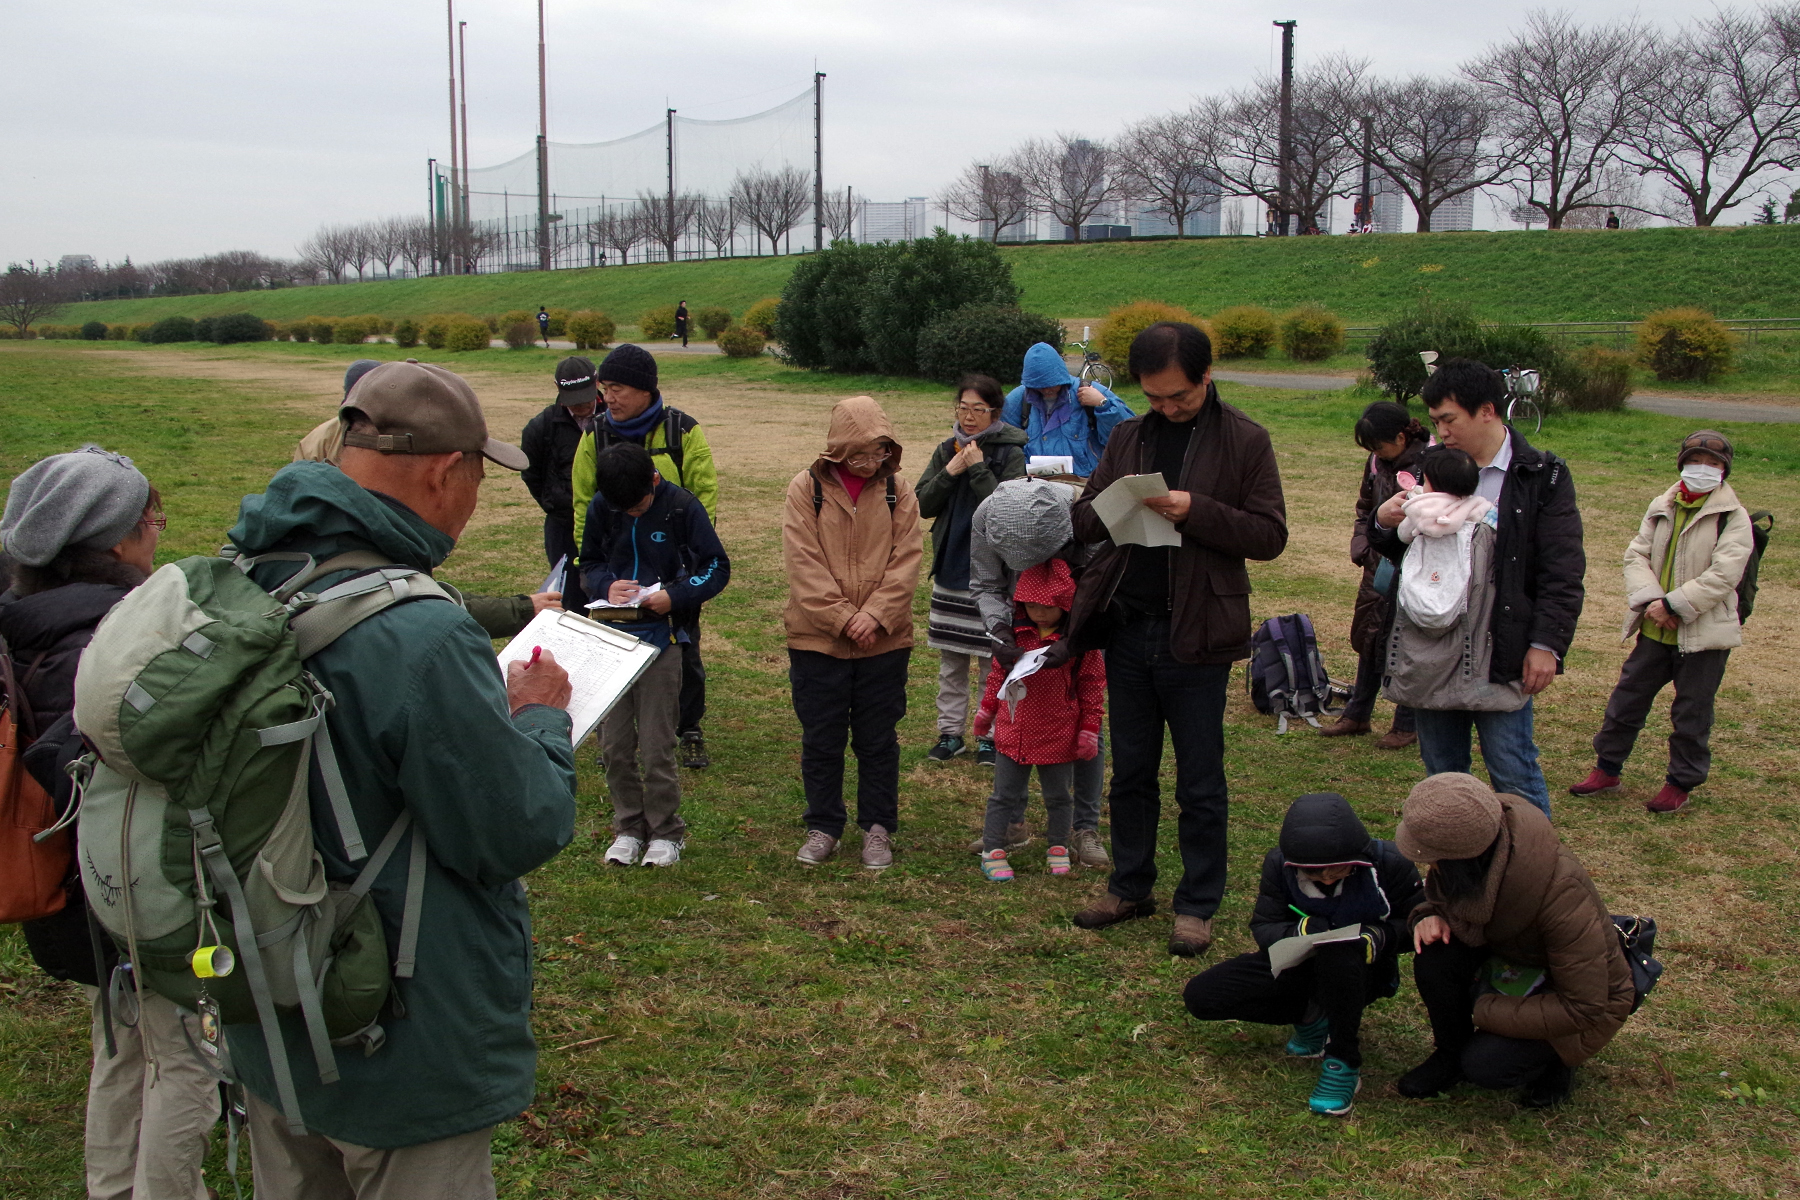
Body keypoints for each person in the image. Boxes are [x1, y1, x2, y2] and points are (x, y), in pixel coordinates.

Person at [225, 361, 578, 1197]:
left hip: (271, 998)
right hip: (394, 1034)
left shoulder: (254, 568)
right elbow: (516, 827)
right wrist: (537, 717)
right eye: (479, 479)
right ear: (444, 471)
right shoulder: (419, 632)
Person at [1, 446, 222, 1199]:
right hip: (132, 894)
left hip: (71, 888)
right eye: (150, 522)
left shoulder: (27, 622)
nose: (158, 536)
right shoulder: (110, 641)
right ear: (117, 542)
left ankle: (112, 1188)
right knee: (185, 1057)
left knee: (124, 1043)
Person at [1066, 321, 1288, 957]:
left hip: (1199, 634)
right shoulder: (1129, 435)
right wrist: (1117, 506)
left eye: (1178, 398)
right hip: (1127, 627)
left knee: (1200, 778)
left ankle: (1197, 903)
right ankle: (1130, 885)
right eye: (1154, 397)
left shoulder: (1245, 439)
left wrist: (1200, 512)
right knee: (1131, 770)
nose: (1165, 408)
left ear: (1206, 377)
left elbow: (1270, 535)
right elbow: (1083, 520)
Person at [1368, 358, 1584, 820]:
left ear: (1487, 410)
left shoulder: (1541, 474)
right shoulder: (1428, 466)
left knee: (1514, 772)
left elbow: (1562, 569)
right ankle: (1456, 875)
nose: (1440, 432)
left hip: (1501, 647)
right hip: (1433, 646)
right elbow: (1402, 553)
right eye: (1435, 421)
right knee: (1443, 775)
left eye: (1448, 419)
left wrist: (1546, 644)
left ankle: (1530, 874)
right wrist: (1383, 524)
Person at [1394, 773, 1634, 1108]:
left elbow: (1585, 1005)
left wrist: (1483, 1006)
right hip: (1513, 960)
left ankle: (1557, 1063)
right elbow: (1444, 899)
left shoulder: (1561, 893)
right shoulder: (1479, 853)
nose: (1427, 863)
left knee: (1487, 1066)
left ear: (1462, 858)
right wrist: (1426, 915)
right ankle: (1450, 1053)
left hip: (1571, 995)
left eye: (1433, 857)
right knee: (1435, 953)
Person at [1182, 793, 1424, 1117]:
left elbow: (1418, 921)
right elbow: (1265, 926)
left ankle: (1342, 1061)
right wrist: (1304, 930)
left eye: (1335, 869)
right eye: (1315, 873)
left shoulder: (1391, 863)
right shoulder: (1278, 866)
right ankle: (1312, 1016)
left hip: (1363, 969)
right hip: (1299, 960)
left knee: (1339, 954)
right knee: (1203, 995)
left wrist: (1378, 935)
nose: (1326, 878)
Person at [295, 357, 561, 639]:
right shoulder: (418, 631)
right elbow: (421, 609)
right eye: (476, 480)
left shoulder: (285, 546)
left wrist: (518, 609)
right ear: (441, 476)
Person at [1570, 431, 1752, 814]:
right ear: (1682, 463)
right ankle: (1607, 769)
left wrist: (1674, 604)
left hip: (1703, 635)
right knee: (1626, 701)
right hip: (1654, 627)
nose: (1703, 469)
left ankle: (1680, 782)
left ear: (1724, 470)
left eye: (1713, 464)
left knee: (1691, 713)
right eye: (1695, 460)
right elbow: (1636, 555)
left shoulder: (1734, 518)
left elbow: (1724, 575)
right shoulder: (1662, 504)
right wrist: (1654, 603)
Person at [783, 396, 922, 871]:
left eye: (879, 452)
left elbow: (907, 559)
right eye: (860, 454)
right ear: (836, 450)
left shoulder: (898, 490)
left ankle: (878, 827)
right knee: (821, 737)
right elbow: (803, 564)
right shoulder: (805, 489)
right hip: (816, 640)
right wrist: (843, 618)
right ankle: (823, 824)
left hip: (884, 641)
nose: (870, 462)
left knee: (878, 738)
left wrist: (877, 615)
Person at [580, 444, 730, 868]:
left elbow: (716, 566)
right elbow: (587, 561)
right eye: (620, 508)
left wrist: (675, 596)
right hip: (610, 639)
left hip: (662, 639)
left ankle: (666, 832)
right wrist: (605, 586)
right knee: (615, 745)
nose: (630, 514)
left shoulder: (682, 508)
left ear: (653, 480)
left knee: (657, 744)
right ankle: (628, 827)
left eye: (638, 506)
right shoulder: (603, 507)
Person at [571, 344, 719, 768]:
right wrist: (592, 566)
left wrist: (688, 568)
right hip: (615, 565)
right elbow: (583, 500)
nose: (609, 398)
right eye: (605, 389)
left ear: (644, 389)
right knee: (612, 646)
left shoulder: (682, 431)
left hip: (674, 569)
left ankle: (688, 726)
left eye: (617, 388)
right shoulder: (594, 435)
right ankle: (616, 731)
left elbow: (703, 493)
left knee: (684, 648)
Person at [967, 479, 1111, 869]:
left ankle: (1083, 827)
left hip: (1074, 617)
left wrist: (1075, 637)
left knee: (1083, 719)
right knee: (1019, 716)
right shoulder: (985, 516)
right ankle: (1012, 821)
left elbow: (1102, 586)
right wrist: (999, 630)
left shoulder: (1086, 517)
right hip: (1023, 621)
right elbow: (985, 583)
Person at [914, 373, 1028, 763]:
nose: (969, 417)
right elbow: (921, 505)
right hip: (951, 566)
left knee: (991, 660)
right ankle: (950, 734)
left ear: (994, 411)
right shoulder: (947, 449)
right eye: (963, 408)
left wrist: (978, 468)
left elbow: (1008, 511)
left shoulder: (1011, 452)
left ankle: (989, 736)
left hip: (992, 574)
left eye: (978, 409)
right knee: (951, 659)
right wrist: (951, 472)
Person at [1319, 401, 1427, 747]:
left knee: (1408, 641)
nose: (1375, 455)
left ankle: (1407, 723)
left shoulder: (1430, 462)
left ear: (1400, 436)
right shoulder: (1376, 462)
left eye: (1378, 447)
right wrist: (1362, 545)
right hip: (1376, 563)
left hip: (1415, 565)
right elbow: (1364, 506)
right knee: (1369, 635)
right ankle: (1357, 713)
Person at [521, 356, 600, 612]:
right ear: (557, 387)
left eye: (585, 396)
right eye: (573, 399)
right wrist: (553, 502)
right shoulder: (540, 427)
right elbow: (532, 474)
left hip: (613, 524)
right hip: (563, 527)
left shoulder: (618, 418)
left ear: (597, 382)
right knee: (570, 601)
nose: (580, 405)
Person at [1000, 342, 1133, 479]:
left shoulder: (1089, 390)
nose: (1047, 389)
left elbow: (1128, 436)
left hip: (1084, 483)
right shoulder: (1019, 399)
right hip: (1034, 483)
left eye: (1052, 383)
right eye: (1040, 386)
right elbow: (1003, 441)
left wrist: (1103, 404)